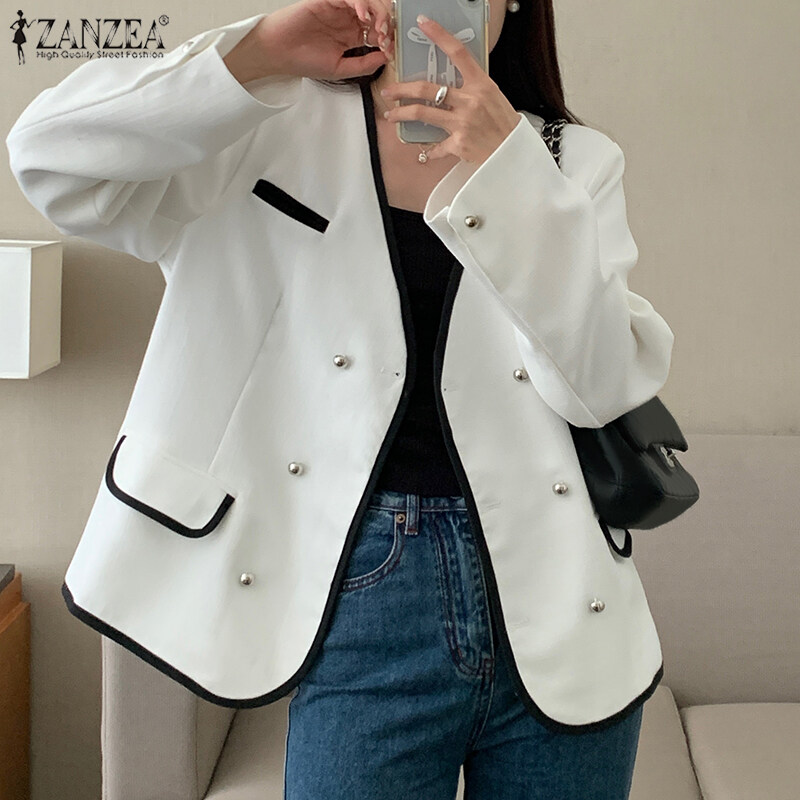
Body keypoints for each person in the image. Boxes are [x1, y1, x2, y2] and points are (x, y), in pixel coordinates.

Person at [7, 1, 674, 797]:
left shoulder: (573, 162)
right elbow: (49, 158)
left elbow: (599, 387)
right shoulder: (263, 123)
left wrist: (511, 174)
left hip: (566, 599)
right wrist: (259, 52)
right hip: (360, 591)